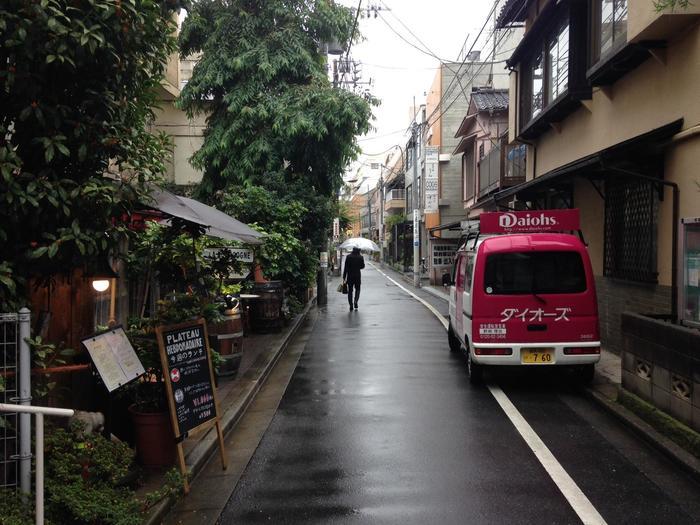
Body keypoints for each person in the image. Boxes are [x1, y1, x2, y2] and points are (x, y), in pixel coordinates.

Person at [343, 247, 365, 311]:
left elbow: (346, 268)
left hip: (350, 276)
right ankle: (356, 301)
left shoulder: (348, 257)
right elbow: (362, 266)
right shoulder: (360, 257)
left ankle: (351, 305)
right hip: (357, 276)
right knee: (358, 289)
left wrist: (344, 277)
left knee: (350, 290)